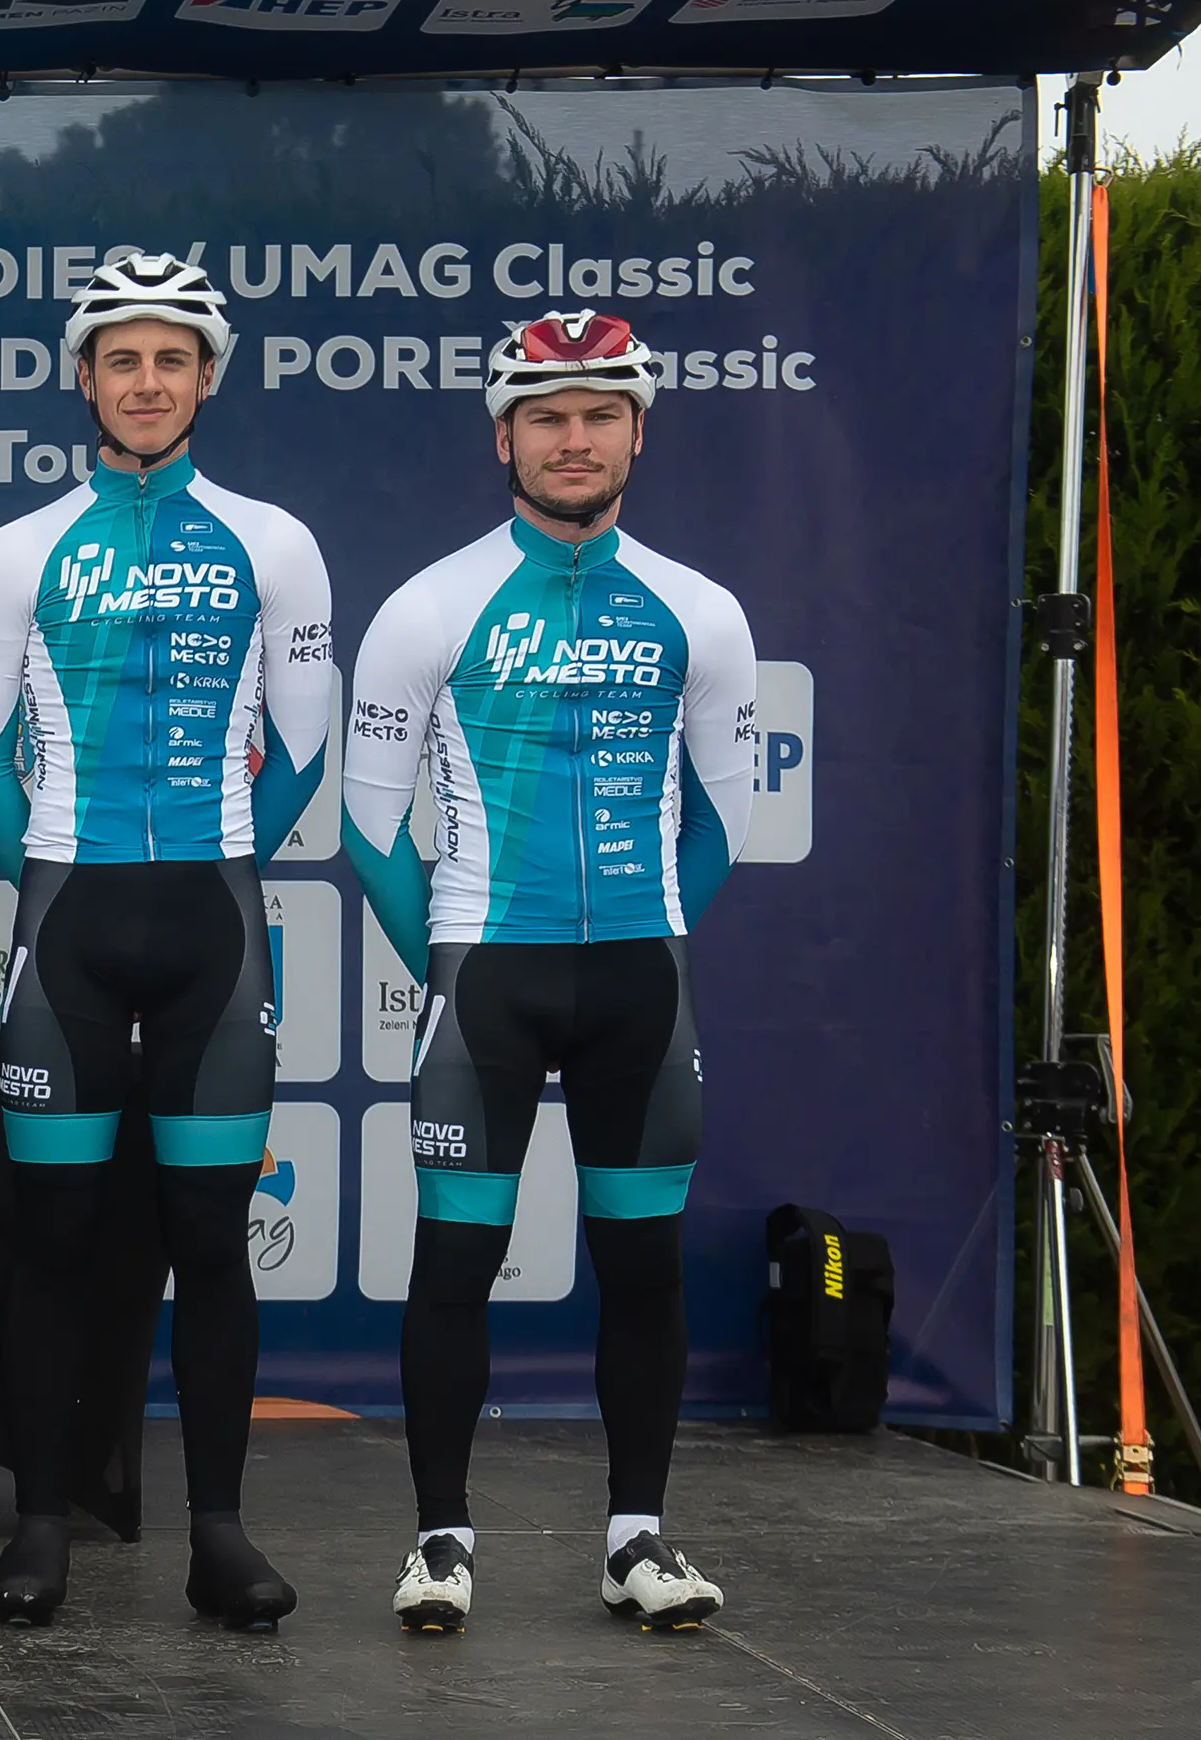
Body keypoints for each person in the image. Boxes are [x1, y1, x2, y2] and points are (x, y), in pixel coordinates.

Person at [342, 309, 757, 1635]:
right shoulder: (431, 605)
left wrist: (652, 932)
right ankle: (439, 1543)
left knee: (643, 1267)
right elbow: (369, 821)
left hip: (640, 981)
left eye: (599, 416)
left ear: (636, 433)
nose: (574, 440)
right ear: (504, 439)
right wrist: (450, 965)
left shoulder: (700, 611)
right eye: (547, 418)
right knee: (454, 1267)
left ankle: (638, 1540)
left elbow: (723, 816)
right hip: (488, 985)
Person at [0, 251, 334, 1630]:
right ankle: (40, 1523)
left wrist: (217, 853)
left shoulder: (274, 543)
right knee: (51, 1238)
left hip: (211, 930)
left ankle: (217, 1533)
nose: (148, 381)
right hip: (69, 923)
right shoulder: (18, 550)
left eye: (173, 358)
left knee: (211, 1240)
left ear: (207, 377)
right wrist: (61, 873)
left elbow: (302, 749)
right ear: (85, 377)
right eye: (123, 358)